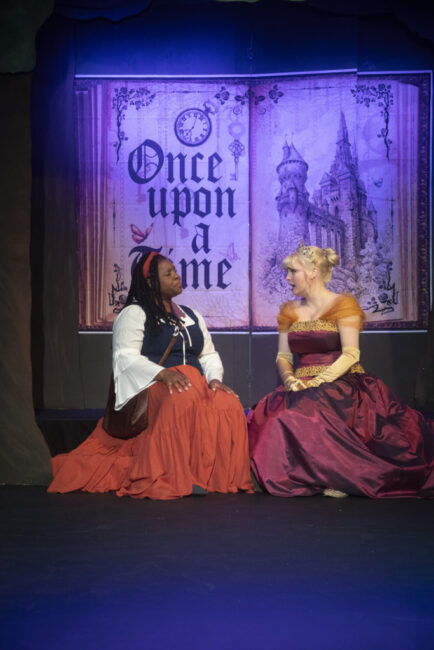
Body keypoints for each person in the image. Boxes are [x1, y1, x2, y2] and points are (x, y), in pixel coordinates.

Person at [48, 250, 253, 500]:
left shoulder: (191, 315)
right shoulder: (135, 313)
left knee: (228, 403)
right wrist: (162, 374)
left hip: (195, 384)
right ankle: (176, 476)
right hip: (153, 386)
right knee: (182, 397)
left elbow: (208, 354)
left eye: (175, 271)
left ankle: (217, 477)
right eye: (168, 274)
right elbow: (125, 357)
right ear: (150, 282)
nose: (176, 276)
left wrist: (214, 379)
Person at [248, 242, 434, 498]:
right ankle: (308, 476)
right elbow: (283, 355)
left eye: (292, 271)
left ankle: (338, 476)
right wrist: (290, 379)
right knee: (273, 419)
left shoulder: (344, 305)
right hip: (300, 384)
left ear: (313, 271)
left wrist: (317, 382)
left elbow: (351, 354)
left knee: (306, 414)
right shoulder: (289, 311)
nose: (287, 278)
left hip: (342, 382)